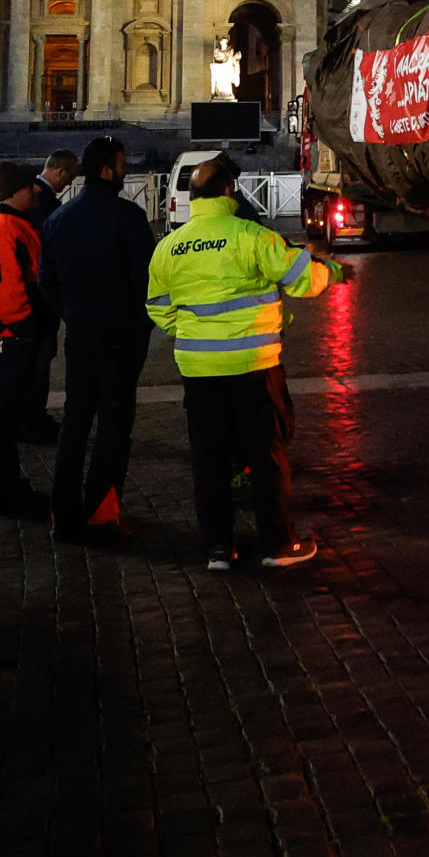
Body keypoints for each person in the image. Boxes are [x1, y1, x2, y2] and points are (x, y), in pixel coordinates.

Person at [146, 152, 342, 571]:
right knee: (266, 455)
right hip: (254, 366)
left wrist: (193, 334)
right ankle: (277, 544)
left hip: (199, 371)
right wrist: (332, 273)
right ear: (229, 192)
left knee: (210, 460)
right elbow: (304, 280)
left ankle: (218, 549)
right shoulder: (251, 236)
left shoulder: (168, 247)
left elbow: (158, 307)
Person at [41, 136, 154, 543]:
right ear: (107, 170)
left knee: (75, 423)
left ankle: (63, 512)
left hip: (81, 334)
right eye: (122, 164)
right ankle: (101, 513)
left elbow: (46, 283)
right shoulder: (128, 218)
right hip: (121, 336)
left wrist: (71, 314)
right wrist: (142, 326)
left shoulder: (58, 219)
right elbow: (147, 282)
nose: (126, 171)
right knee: (113, 424)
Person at [0, 160, 57, 516]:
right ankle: (3, 489)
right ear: (16, 192)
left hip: (8, 333)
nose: (36, 189)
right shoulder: (7, 230)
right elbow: (8, 291)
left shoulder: (12, 225)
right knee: (4, 416)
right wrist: (26, 328)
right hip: (10, 336)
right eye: (29, 186)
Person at [16, 148, 83, 441]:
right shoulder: (41, 200)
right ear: (59, 171)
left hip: (36, 294)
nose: (68, 185)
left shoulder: (37, 197)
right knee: (38, 360)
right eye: (68, 179)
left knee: (38, 359)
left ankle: (32, 416)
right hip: (38, 297)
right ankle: (32, 420)